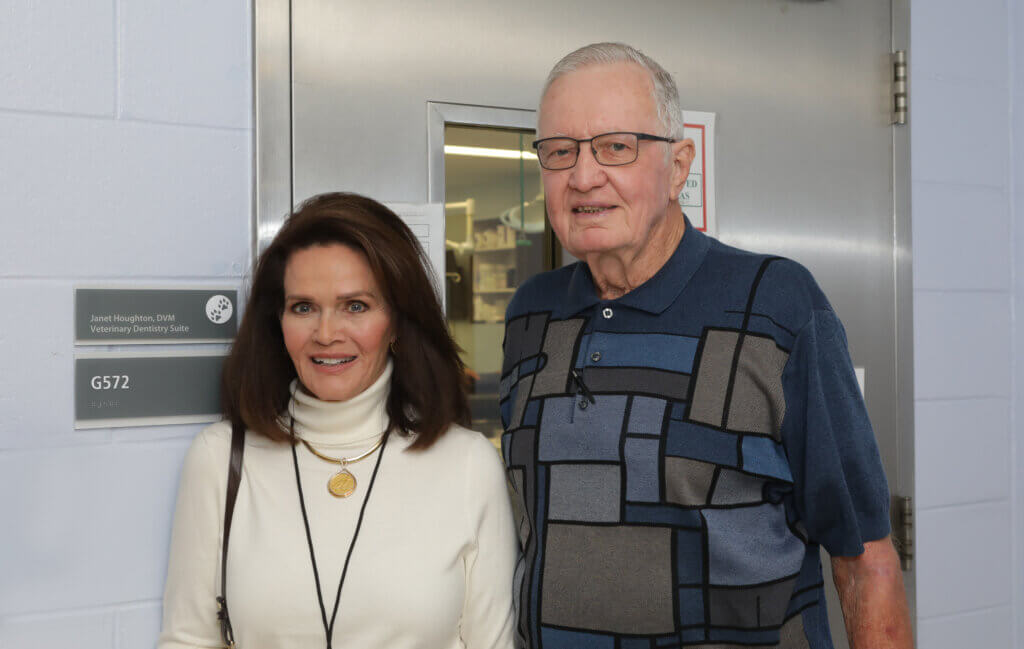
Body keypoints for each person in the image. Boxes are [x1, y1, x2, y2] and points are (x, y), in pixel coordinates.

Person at [499, 43, 912, 649]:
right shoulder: (530, 313)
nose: (584, 176)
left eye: (616, 146)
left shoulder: (777, 302)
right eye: (560, 152)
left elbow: (865, 555)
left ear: (679, 165)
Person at [159, 193, 518, 649]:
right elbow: (187, 640)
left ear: (397, 323)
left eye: (356, 306)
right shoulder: (220, 458)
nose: (326, 334)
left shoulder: (467, 463)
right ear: (278, 322)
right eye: (303, 307)